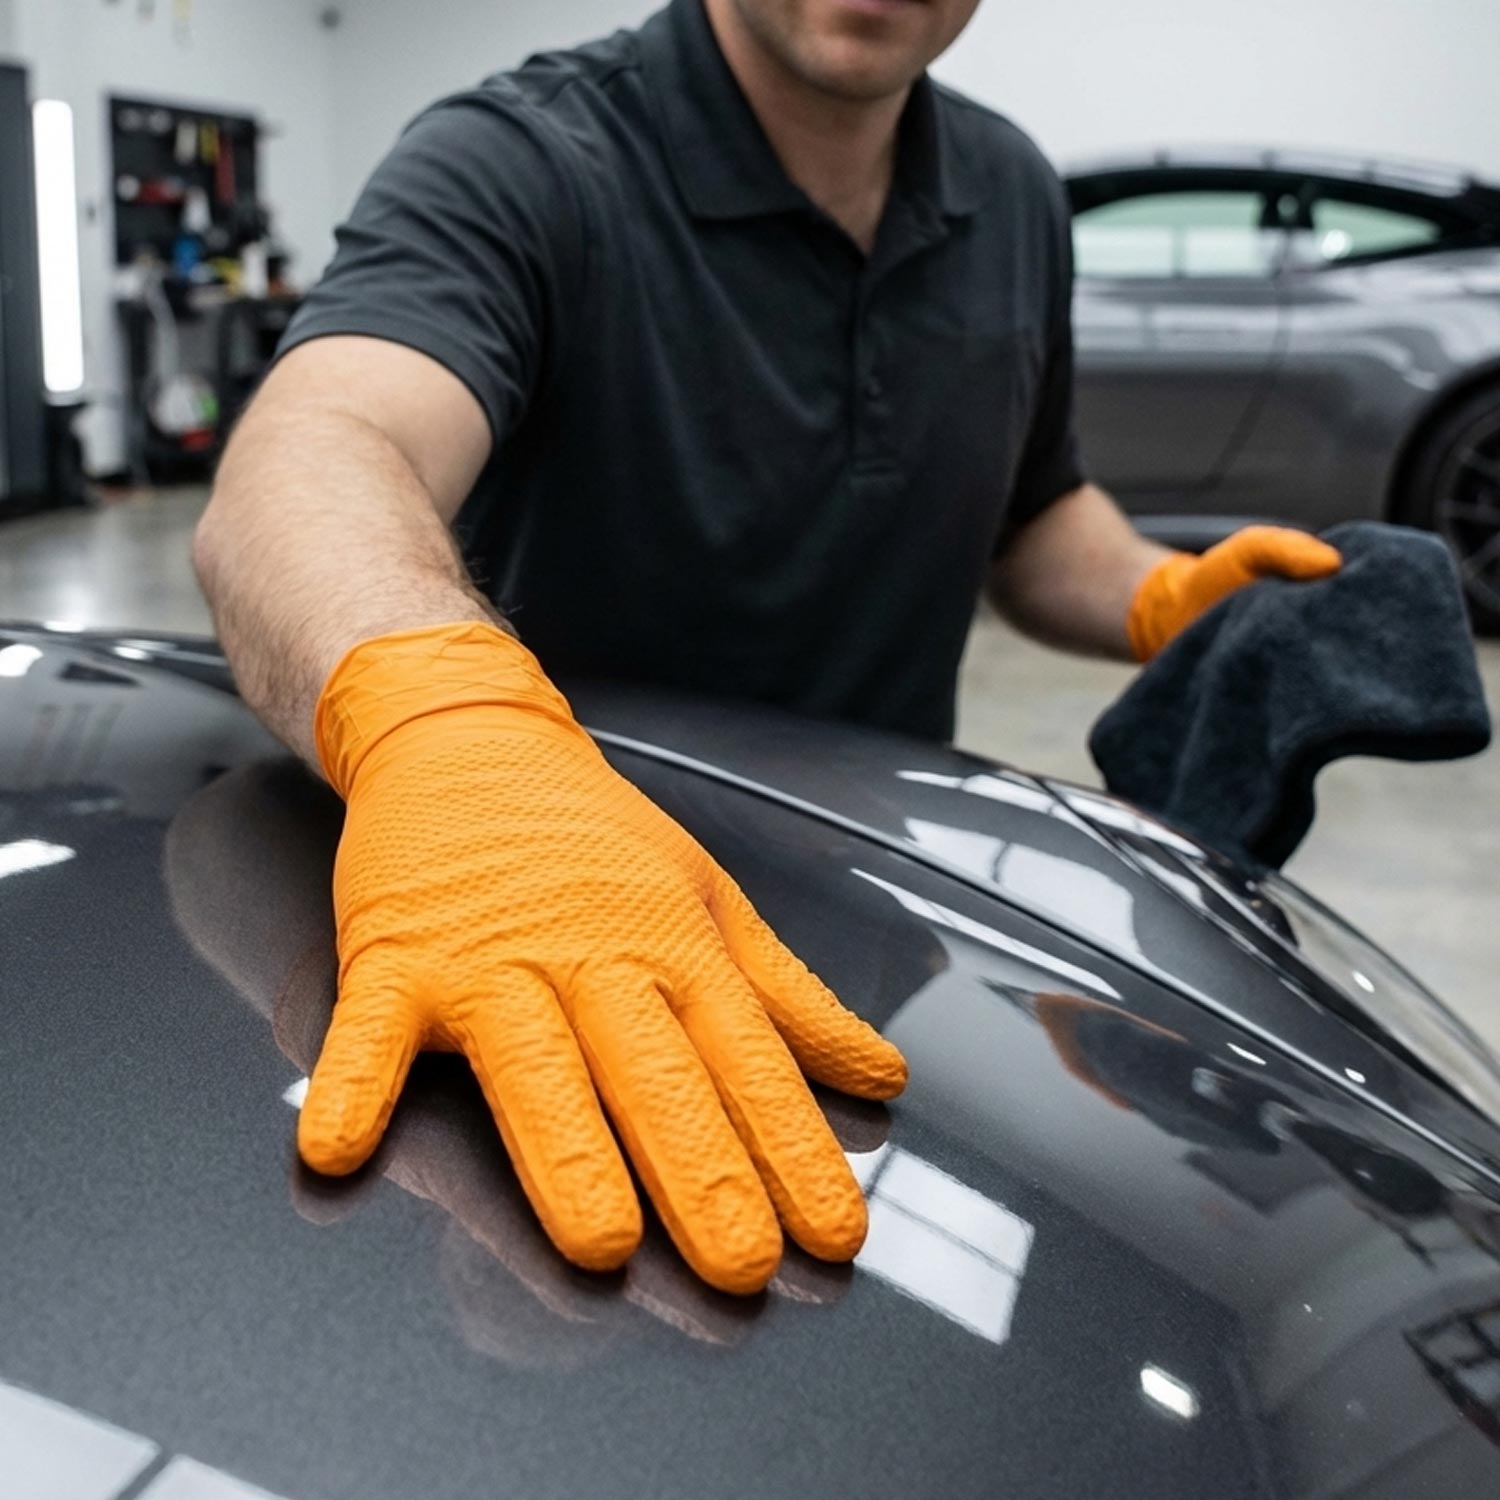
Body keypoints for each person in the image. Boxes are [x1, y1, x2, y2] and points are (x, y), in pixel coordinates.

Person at [193, 0, 1340, 1295]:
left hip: (875, 936)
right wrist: (444, 722)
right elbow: (319, 449)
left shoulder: (1012, 191)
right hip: (533, 924)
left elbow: (1032, 514)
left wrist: (1160, 595)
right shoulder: (522, 159)